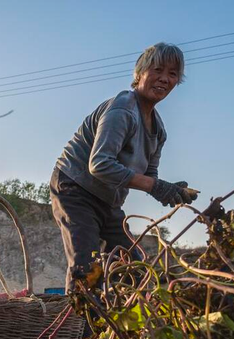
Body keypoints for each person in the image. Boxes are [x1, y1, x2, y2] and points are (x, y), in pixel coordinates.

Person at [50, 42, 196, 292]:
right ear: (140, 73)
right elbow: (100, 164)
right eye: (158, 70)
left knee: (134, 267)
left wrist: (168, 189)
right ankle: (79, 330)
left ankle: (118, 327)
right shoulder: (123, 109)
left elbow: (148, 175)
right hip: (76, 190)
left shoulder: (158, 130)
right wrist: (154, 186)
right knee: (86, 270)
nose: (164, 79)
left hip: (108, 201)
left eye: (172, 74)